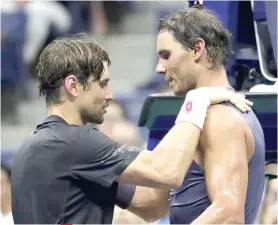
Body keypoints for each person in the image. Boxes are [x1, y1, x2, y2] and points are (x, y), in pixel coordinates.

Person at [11, 33, 252, 224]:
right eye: (102, 84)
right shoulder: (74, 142)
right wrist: (196, 102)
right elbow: (168, 172)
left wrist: (196, 154)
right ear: (73, 85)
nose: (110, 95)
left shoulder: (41, 147)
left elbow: (150, 207)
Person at [116, 4, 266, 224]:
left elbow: (228, 214)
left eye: (166, 55)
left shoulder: (220, 118)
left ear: (197, 49)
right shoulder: (202, 115)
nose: (159, 68)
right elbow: (153, 205)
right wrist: (99, 173)